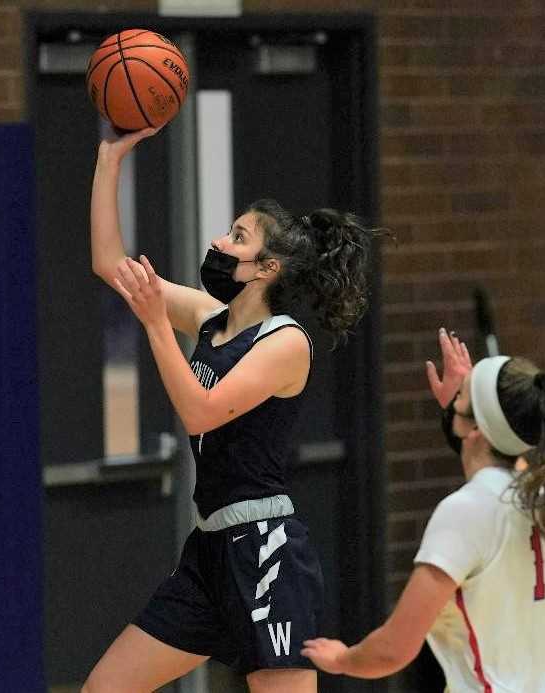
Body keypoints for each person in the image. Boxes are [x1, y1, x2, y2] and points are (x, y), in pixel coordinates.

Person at [81, 126, 382, 693]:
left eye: (237, 236)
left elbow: (200, 412)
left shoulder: (286, 343)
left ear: (267, 267)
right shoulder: (209, 316)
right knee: (105, 687)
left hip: (265, 550)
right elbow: (107, 261)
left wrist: (152, 325)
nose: (220, 241)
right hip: (209, 551)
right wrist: (109, 158)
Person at [302, 349, 545, 692]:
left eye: (463, 396)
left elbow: (393, 650)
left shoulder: (465, 511)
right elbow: (493, 455)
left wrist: (343, 659)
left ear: (476, 429)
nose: (455, 400)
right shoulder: (539, 494)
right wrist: (464, 405)